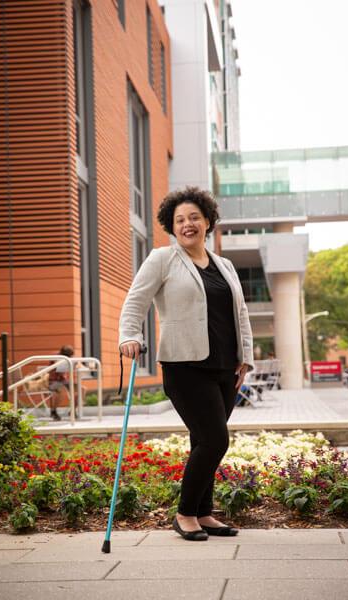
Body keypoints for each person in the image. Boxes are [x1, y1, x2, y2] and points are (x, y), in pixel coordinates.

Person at [119, 187, 254, 541]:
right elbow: (136, 301)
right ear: (171, 226)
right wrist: (129, 335)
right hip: (184, 366)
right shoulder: (162, 259)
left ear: (208, 221)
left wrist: (246, 360)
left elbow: (240, 313)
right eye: (180, 220)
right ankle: (185, 514)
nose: (187, 224)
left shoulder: (224, 265)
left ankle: (204, 512)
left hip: (225, 367)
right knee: (214, 440)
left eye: (194, 217)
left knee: (203, 442)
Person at [48, 345, 74, 421]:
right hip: (54, 381)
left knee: (81, 389)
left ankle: (73, 411)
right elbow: (58, 371)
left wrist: (77, 363)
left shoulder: (69, 358)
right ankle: (53, 411)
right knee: (61, 391)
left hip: (63, 381)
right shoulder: (56, 358)